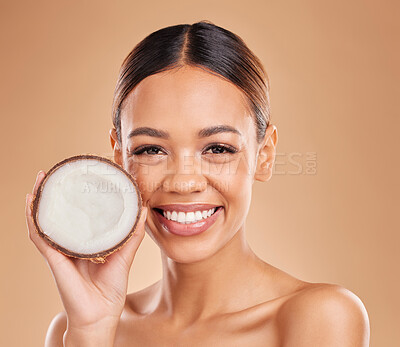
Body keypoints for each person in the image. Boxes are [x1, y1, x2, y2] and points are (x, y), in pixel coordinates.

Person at [25, 20, 370, 346]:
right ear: (120, 160)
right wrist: (92, 331)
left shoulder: (320, 317)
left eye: (218, 148)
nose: (184, 182)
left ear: (264, 155)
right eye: (151, 149)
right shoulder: (75, 329)